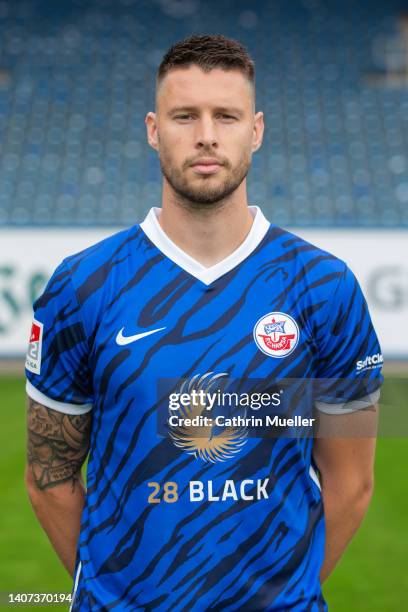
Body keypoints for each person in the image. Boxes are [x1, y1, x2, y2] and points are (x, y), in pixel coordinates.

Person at [25, 35, 383, 611]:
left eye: (227, 116)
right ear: (152, 128)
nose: (207, 134)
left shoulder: (325, 287)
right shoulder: (82, 285)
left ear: (257, 130)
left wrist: (284, 596)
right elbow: (49, 477)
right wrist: (117, 594)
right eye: (184, 115)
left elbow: (352, 484)